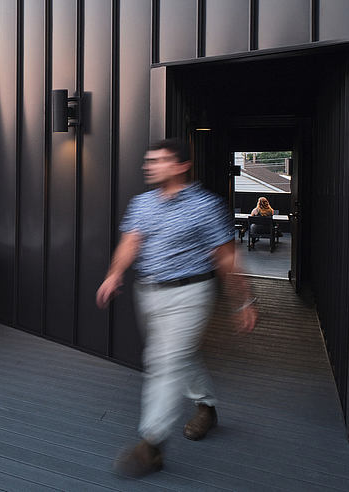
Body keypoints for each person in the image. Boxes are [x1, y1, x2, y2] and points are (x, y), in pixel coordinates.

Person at [96, 139, 257, 478]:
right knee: (179, 356)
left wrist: (244, 299)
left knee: (163, 362)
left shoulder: (205, 206)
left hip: (191, 293)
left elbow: (226, 257)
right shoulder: (142, 203)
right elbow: (131, 242)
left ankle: (151, 444)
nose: (149, 165)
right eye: (148, 160)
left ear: (182, 166)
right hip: (149, 293)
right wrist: (114, 275)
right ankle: (207, 406)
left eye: (159, 160)